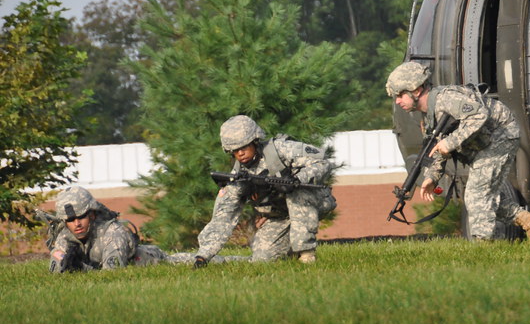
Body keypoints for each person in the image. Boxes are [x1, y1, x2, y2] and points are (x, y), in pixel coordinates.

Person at [386, 61, 530, 241]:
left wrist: (450, 142)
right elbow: (436, 147)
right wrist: (431, 177)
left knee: (477, 194)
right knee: (485, 193)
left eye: (400, 94)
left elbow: (479, 115)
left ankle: (484, 244)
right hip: (488, 142)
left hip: (501, 134)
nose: (397, 101)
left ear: (416, 90)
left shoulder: (446, 99)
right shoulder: (429, 115)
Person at [194, 115, 336, 267]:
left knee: (298, 192)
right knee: (262, 259)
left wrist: (297, 179)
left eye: (243, 147)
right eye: (235, 151)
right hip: (280, 216)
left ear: (255, 141)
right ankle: (291, 252)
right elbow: (224, 215)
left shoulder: (280, 150)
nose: (240, 154)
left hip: (314, 202)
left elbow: (322, 162)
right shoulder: (239, 177)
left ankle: (306, 254)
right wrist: (203, 255)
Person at [44, 185, 167, 273]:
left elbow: (112, 274)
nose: (77, 224)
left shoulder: (113, 234)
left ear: (92, 215)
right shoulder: (64, 237)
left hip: (150, 259)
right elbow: (56, 272)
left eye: (81, 217)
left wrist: (81, 268)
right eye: (70, 220)